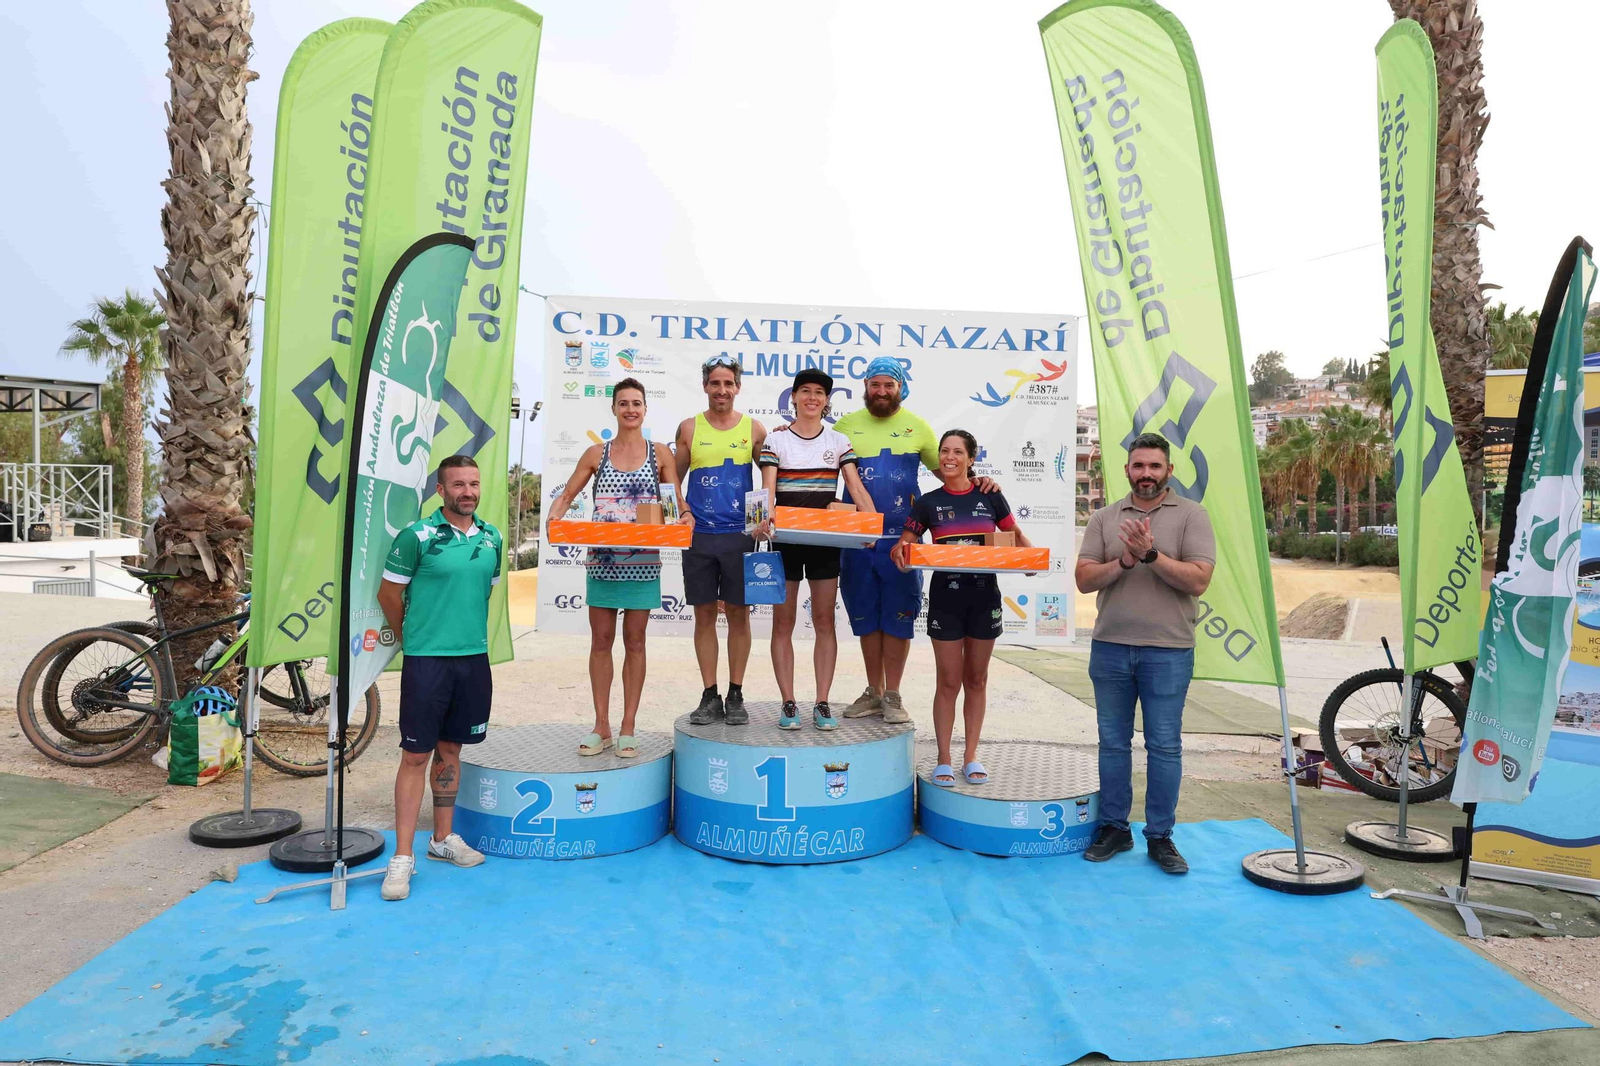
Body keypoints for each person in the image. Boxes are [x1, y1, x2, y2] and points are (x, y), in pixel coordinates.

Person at [1073, 432, 1215, 876]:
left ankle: (1161, 837)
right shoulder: (1104, 517)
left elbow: (1197, 581)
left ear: (1169, 470)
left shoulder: (1193, 516)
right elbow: (1084, 578)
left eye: (1155, 466)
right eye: (1139, 466)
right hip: (1111, 647)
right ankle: (1114, 828)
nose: (1146, 474)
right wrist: (1126, 563)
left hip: (1168, 651)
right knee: (1113, 744)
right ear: (1127, 470)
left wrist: (1151, 554)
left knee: (1164, 747)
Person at [828, 357, 998, 723]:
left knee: (898, 620)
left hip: (904, 541)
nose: (882, 391)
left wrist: (981, 483)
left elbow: (951, 473)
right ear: (866, 387)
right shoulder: (843, 426)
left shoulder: (918, 428)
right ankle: (873, 691)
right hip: (858, 542)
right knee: (867, 621)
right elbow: (811, 454)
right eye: (875, 384)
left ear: (901, 388)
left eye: (889, 385)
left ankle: (893, 694)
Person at [375, 455, 503, 902]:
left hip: (473, 660)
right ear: (440, 490)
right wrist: (412, 636)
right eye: (458, 485)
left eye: (473, 483)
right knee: (415, 756)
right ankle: (402, 857)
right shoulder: (417, 536)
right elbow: (389, 593)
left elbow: (483, 590)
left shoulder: (492, 538)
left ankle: (442, 840)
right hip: (427, 661)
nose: (467, 491)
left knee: (452, 748)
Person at [548, 378, 691, 757]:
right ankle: (601, 726)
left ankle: (628, 725)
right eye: (623, 403)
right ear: (613, 409)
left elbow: (676, 500)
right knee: (600, 642)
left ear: (646, 409)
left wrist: (686, 517)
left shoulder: (660, 452)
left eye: (637, 403)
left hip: (644, 562)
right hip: (603, 561)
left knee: (636, 642)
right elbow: (566, 495)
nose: (630, 409)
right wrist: (553, 519)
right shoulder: (597, 453)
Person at [891, 430, 1032, 786]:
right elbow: (905, 545)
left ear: (971, 458)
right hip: (946, 599)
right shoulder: (927, 502)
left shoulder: (991, 496)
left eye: (957, 452)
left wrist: (1030, 558)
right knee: (949, 680)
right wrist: (900, 554)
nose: (949, 457)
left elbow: (1018, 541)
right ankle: (943, 758)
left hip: (985, 598)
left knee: (977, 679)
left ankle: (971, 755)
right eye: (944, 451)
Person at [757, 369, 876, 730]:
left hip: (825, 542)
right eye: (805, 391)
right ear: (793, 397)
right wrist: (762, 518)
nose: (812, 398)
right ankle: (788, 702)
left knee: (824, 621)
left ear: (827, 401)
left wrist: (870, 523)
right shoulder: (775, 442)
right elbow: (766, 492)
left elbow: (854, 486)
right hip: (786, 542)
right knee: (783, 622)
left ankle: (822, 702)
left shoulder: (839, 441)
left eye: (819, 393)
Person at [674, 355, 768, 725]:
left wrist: (764, 516)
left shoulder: (753, 429)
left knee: (740, 618)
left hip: (739, 537)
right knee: (704, 617)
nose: (722, 390)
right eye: (715, 383)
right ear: (705, 386)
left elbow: (770, 476)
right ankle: (710, 695)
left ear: (738, 387)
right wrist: (682, 510)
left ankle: (737, 694)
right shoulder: (689, 428)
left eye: (728, 383)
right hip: (699, 537)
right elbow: (672, 479)